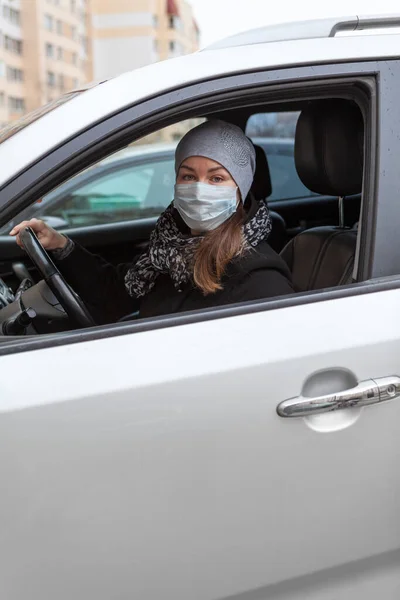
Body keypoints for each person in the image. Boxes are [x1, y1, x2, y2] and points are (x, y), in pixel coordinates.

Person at [10, 119, 294, 324]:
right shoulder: (171, 247)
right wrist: (61, 246)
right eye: (188, 176)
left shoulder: (260, 281)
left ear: (240, 189)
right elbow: (117, 292)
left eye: (216, 178)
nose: (198, 188)